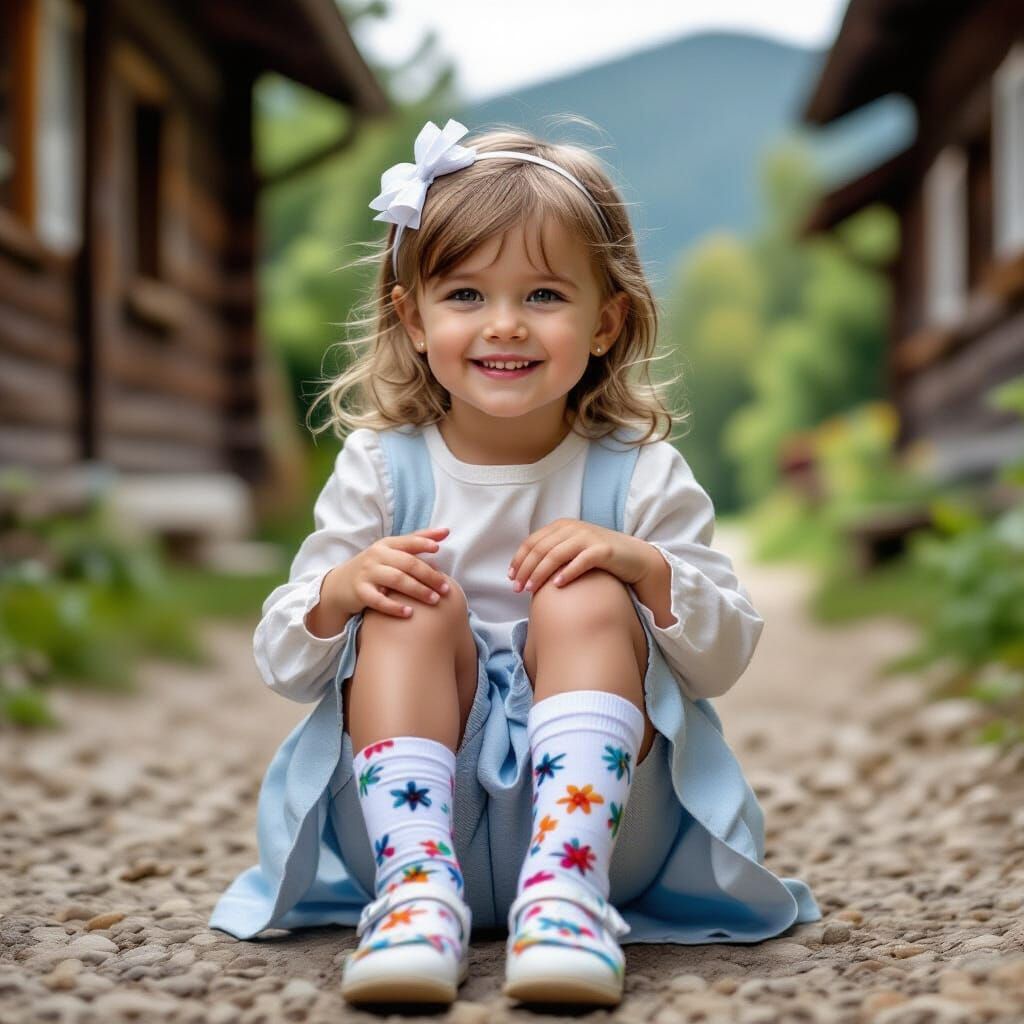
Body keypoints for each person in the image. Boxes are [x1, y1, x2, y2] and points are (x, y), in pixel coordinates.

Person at [208, 118, 822, 1008]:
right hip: (407, 814)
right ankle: (416, 902)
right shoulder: (383, 466)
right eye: (464, 294)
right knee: (406, 598)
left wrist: (645, 569)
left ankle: (565, 903)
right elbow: (284, 664)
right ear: (411, 317)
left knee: (585, 593)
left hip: (604, 830)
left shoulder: (639, 472)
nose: (504, 325)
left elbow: (722, 659)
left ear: (606, 321)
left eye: (543, 295)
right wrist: (339, 594)